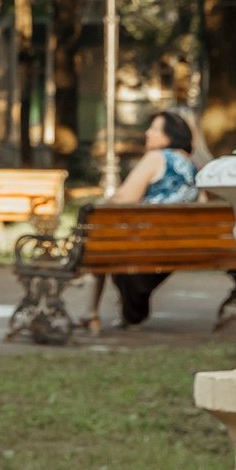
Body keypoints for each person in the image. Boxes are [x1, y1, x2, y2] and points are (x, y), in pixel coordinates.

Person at [83, 109, 201, 331]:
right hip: (180, 244)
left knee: (99, 237)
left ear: (170, 136)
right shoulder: (191, 164)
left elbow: (124, 200)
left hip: (147, 242)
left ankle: (91, 312)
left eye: (155, 129)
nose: (148, 133)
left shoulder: (157, 158)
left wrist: (106, 200)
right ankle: (126, 312)